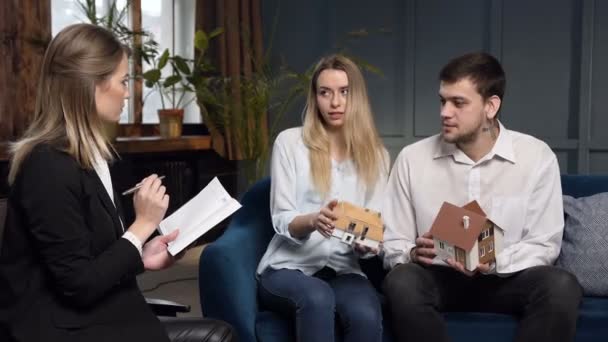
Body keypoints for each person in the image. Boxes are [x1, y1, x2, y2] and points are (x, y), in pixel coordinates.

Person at [0, 24, 234, 342]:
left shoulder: (94, 155)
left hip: (104, 312)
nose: (127, 92)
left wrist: (142, 253)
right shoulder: (47, 167)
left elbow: (94, 254)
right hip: (62, 328)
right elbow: (79, 286)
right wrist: (143, 225)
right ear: (91, 85)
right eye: (123, 81)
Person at [381, 51, 582, 342]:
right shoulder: (412, 159)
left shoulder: (536, 157)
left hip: (506, 278)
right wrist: (412, 253)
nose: (444, 112)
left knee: (562, 285)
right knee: (401, 280)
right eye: (442, 101)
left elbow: (543, 244)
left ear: (490, 106)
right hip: (439, 278)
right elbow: (393, 241)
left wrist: (494, 260)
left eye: (458, 103)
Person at [256, 54, 388, 342]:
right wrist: (313, 221)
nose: (335, 102)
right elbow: (281, 217)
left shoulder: (376, 156)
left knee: (365, 315)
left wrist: (369, 245)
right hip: (288, 266)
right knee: (316, 298)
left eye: (344, 92)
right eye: (324, 93)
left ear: (357, 98)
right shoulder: (289, 143)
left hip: (344, 269)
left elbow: (374, 225)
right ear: (315, 98)